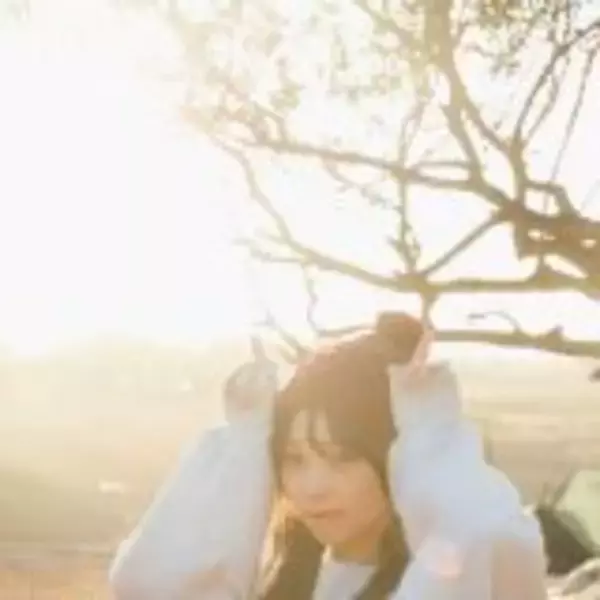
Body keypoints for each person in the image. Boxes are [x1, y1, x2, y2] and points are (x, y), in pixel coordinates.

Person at [109, 313, 548, 600]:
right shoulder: (290, 583)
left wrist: (429, 435)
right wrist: (243, 444)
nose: (312, 488)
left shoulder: (450, 580)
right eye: (294, 459)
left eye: (342, 458)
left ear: (398, 458)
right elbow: (152, 587)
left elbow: (485, 541)